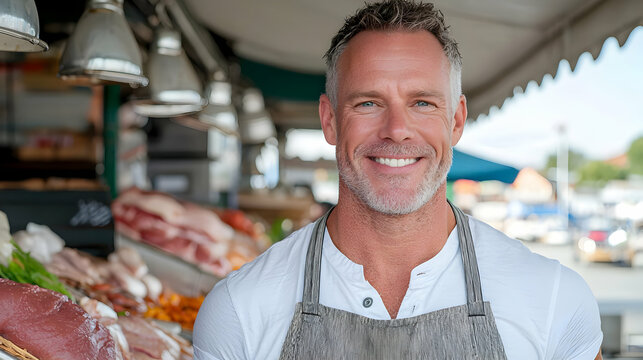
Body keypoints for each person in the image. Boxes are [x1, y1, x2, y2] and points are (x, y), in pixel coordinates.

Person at [193, 1, 603, 359]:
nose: (396, 130)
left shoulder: (553, 299)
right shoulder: (238, 310)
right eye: (369, 102)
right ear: (330, 120)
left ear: (456, 120)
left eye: (422, 103)